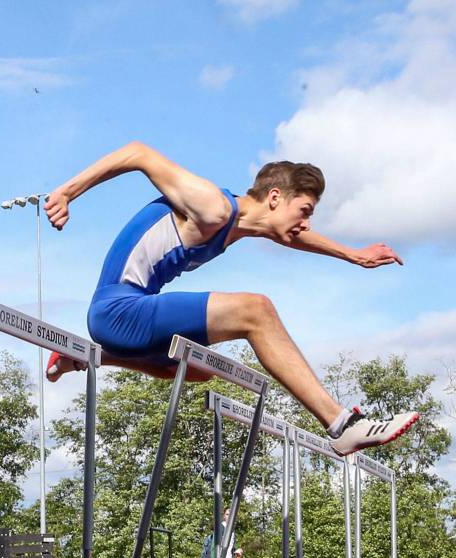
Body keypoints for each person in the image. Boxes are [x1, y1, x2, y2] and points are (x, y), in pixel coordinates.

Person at [43, 142, 418, 457]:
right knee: (256, 310)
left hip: (127, 320)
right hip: (118, 310)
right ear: (274, 198)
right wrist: (66, 193)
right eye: (304, 211)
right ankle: (341, 425)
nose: (306, 224)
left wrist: (353, 254)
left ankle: (85, 357)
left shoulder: (237, 226)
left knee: (198, 368)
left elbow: (291, 236)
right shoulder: (214, 207)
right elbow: (139, 153)